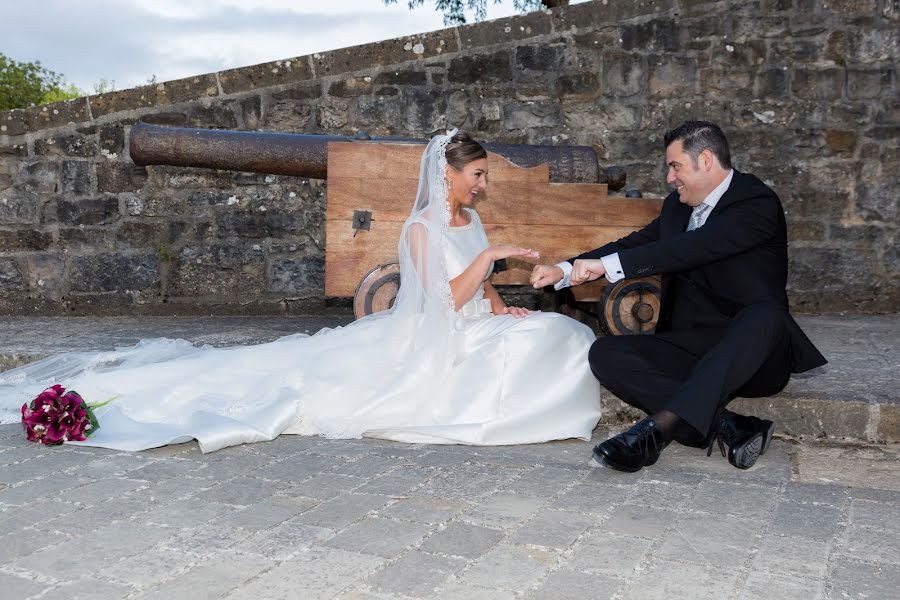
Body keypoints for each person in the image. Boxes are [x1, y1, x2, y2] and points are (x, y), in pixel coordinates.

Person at [0, 129, 601, 453]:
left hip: (475, 321)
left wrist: (504, 306)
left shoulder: (470, 222)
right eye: (477, 176)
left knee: (558, 330)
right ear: (447, 174)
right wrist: (492, 263)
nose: (483, 185)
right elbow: (443, 297)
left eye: (485, 176)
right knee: (558, 340)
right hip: (436, 335)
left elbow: (479, 288)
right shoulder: (419, 229)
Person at [531, 120, 826, 473]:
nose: (670, 178)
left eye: (675, 166)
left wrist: (608, 266)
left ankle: (655, 433)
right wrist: (567, 269)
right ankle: (730, 425)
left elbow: (693, 248)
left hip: (755, 355)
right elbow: (638, 244)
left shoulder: (756, 202)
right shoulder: (677, 207)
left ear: (705, 160)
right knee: (605, 352)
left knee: (765, 315)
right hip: (695, 348)